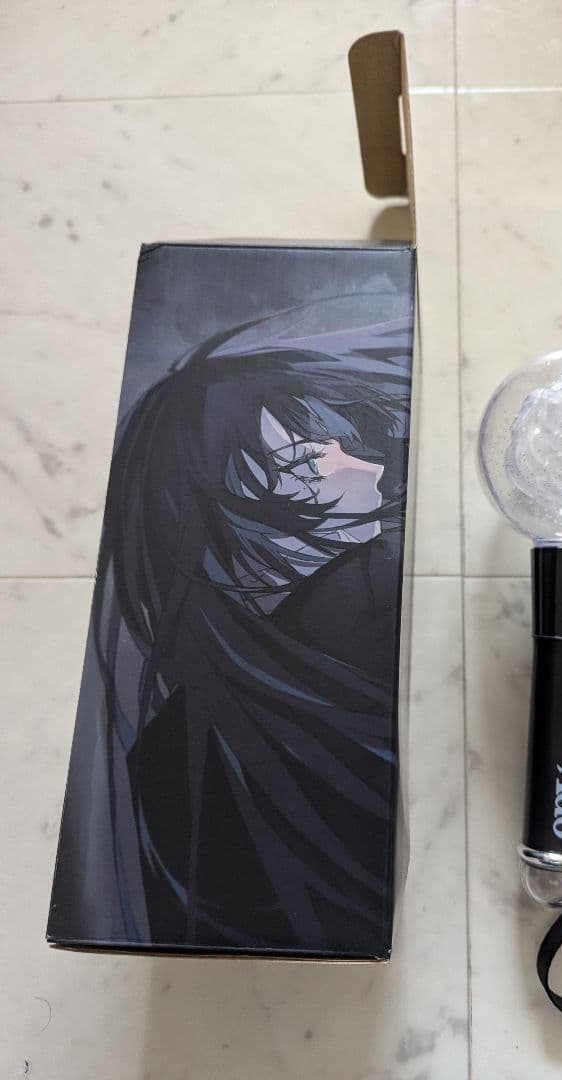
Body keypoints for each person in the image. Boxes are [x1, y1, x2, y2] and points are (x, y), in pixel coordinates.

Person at [49, 307, 413, 954]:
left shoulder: (170, 759)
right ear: (205, 529)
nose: (368, 470)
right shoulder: (178, 765)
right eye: (304, 464)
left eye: (342, 446)